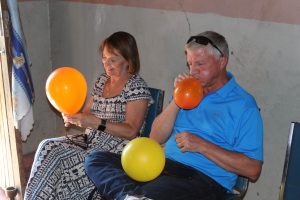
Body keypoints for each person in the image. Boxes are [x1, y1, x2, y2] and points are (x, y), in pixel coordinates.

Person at [84, 31, 263, 200]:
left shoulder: (243, 105)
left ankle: (137, 196)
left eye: (200, 64)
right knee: (97, 159)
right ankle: (129, 197)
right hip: (163, 165)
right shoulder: (188, 90)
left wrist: (202, 146)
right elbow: (155, 137)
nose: (193, 72)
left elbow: (253, 170)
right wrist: (178, 100)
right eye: (190, 64)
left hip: (204, 179)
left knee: (150, 192)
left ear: (222, 61)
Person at [24, 31, 153, 200]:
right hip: (90, 140)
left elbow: (131, 131)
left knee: (70, 163)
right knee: (48, 146)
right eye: (104, 58)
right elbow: (86, 114)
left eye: (112, 60)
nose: (107, 64)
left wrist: (96, 122)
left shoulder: (136, 87)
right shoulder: (101, 82)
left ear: (128, 60)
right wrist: (74, 116)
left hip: (117, 149)